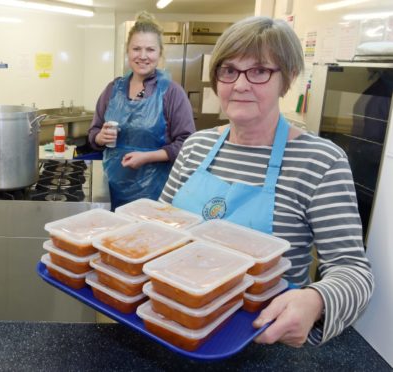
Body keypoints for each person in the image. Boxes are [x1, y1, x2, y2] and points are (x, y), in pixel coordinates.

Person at [159, 16, 374, 347]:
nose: (240, 84)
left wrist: (314, 301)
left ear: (286, 80)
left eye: (259, 71)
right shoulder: (196, 146)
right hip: (174, 321)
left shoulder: (319, 162)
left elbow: (353, 272)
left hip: (259, 339)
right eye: (228, 70)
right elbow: (160, 228)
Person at [88, 11, 195, 210]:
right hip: (113, 189)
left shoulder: (171, 93)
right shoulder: (113, 90)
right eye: (136, 49)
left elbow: (187, 145)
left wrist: (147, 157)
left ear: (160, 53)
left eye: (150, 49)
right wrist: (100, 138)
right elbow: (93, 133)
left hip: (155, 193)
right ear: (127, 52)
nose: (143, 56)